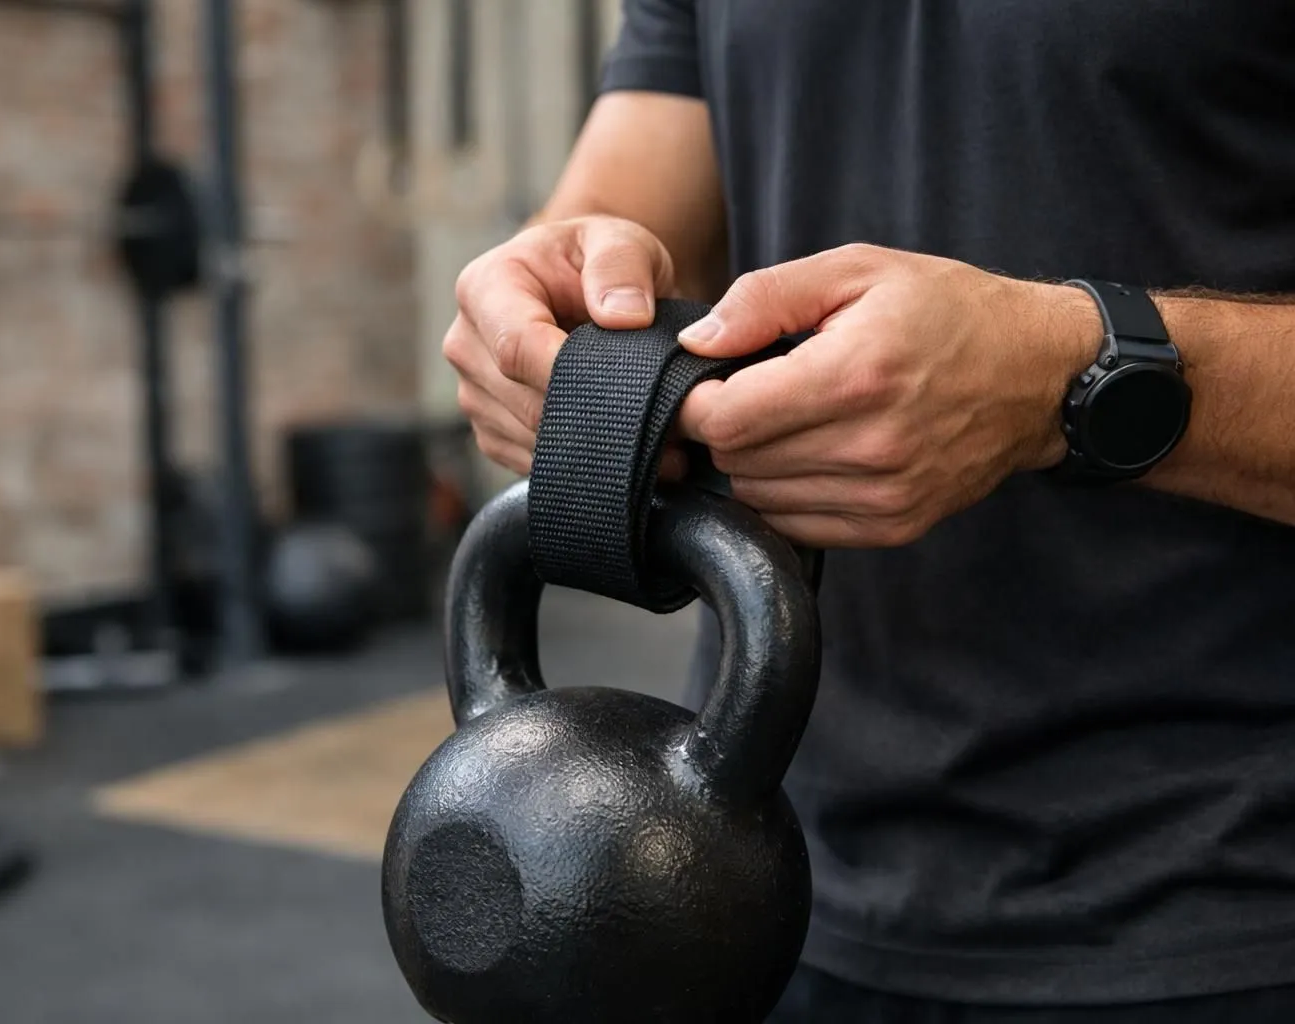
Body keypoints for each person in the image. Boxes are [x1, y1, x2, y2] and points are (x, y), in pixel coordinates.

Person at [442, 2, 1295, 1022]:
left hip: (1223, 900)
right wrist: (563, 328)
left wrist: (1070, 374)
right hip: (739, 865)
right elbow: (621, 208)